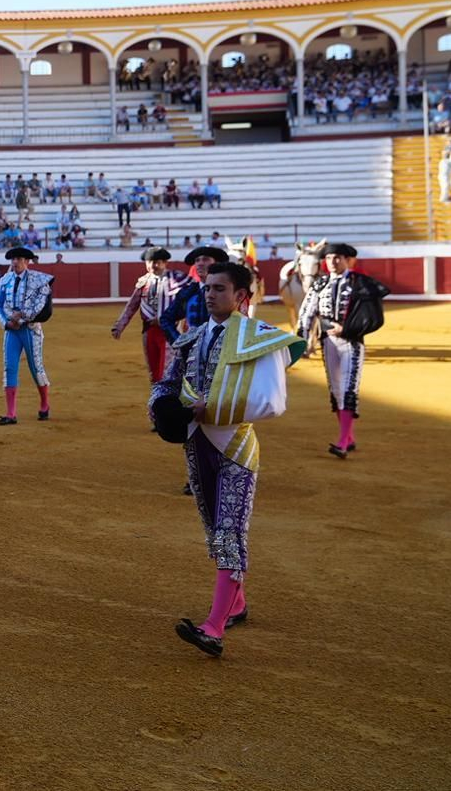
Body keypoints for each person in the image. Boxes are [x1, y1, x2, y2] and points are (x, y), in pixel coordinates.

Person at [150, 262, 304, 658]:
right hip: (196, 444)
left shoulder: (259, 338)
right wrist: (163, 407)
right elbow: (166, 383)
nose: (210, 294)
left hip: (235, 447)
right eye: (207, 288)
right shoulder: (192, 337)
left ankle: (213, 628)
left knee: (229, 533)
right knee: (213, 530)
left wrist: (208, 408)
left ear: (240, 296)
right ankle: (235, 603)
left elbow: (271, 403)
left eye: (220, 288)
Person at [297, 242, 388, 459]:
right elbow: (307, 312)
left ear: (348, 260)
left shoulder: (359, 283)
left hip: (352, 342)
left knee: (349, 389)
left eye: (337, 258)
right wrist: (302, 339)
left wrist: (347, 329)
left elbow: (375, 318)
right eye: (329, 259)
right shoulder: (320, 284)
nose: (333, 262)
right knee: (336, 390)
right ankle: (349, 436)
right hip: (328, 342)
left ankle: (342, 442)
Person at [0, 246, 53, 424]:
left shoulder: (38, 280)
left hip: (30, 330)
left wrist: (22, 316)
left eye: (19, 259)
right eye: (13, 259)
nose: (15, 262)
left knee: (36, 368)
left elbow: (41, 306)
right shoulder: (6, 279)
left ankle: (44, 404)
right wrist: (6, 322)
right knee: (10, 367)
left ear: (27, 262)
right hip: (12, 331)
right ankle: (11, 413)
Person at [111, 247, 183, 382]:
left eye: (156, 262)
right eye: (149, 262)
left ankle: (168, 399)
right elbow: (132, 305)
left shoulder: (175, 282)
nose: (152, 265)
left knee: (167, 370)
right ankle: (157, 399)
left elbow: (183, 307)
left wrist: (165, 318)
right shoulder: (143, 282)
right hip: (149, 331)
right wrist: (119, 325)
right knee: (154, 372)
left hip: (170, 331)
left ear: (165, 263)